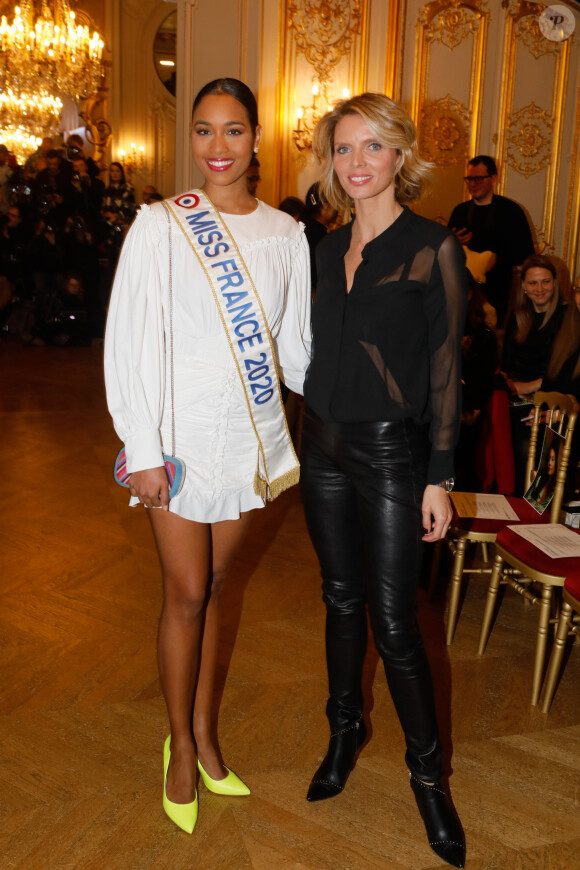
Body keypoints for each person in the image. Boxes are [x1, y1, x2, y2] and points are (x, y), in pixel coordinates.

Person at [104, 77, 311, 835]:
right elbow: (130, 340)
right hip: (177, 439)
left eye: (232, 131)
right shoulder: (160, 224)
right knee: (186, 589)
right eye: (203, 130)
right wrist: (143, 448)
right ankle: (182, 746)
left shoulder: (287, 236)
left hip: (248, 439)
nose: (217, 147)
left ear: (257, 139)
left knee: (219, 586)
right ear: (189, 139)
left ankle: (205, 730)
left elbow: (295, 351)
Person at [301, 92, 466, 869]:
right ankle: (344, 728)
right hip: (323, 449)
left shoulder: (434, 246)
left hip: (394, 454)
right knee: (340, 598)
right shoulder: (323, 248)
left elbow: (447, 369)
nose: (356, 163)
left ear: (401, 155)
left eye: (371, 147)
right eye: (343, 149)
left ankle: (429, 776)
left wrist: (440, 477)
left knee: (397, 622)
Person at [501, 254, 565, 492]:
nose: (540, 289)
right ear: (524, 287)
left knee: (527, 444)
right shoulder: (518, 315)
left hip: (549, 399)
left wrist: (527, 387)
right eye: (533, 283)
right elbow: (506, 363)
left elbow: (564, 373)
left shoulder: (566, 317)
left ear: (555, 284)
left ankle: (532, 506)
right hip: (515, 398)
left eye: (546, 282)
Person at [448, 155, 534, 325]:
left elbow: (526, 253)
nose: (473, 184)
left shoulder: (511, 211)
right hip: (464, 290)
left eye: (479, 178)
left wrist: (497, 259)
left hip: (500, 288)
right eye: (469, 179)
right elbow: (444, 253)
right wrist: (454, 242)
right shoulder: (460, 211)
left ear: (493, 178)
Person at [303, 181, 338, 293]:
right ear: (325, 206)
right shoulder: (323, 239)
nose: (338, 209)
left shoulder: (301, 228)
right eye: (335, 203)